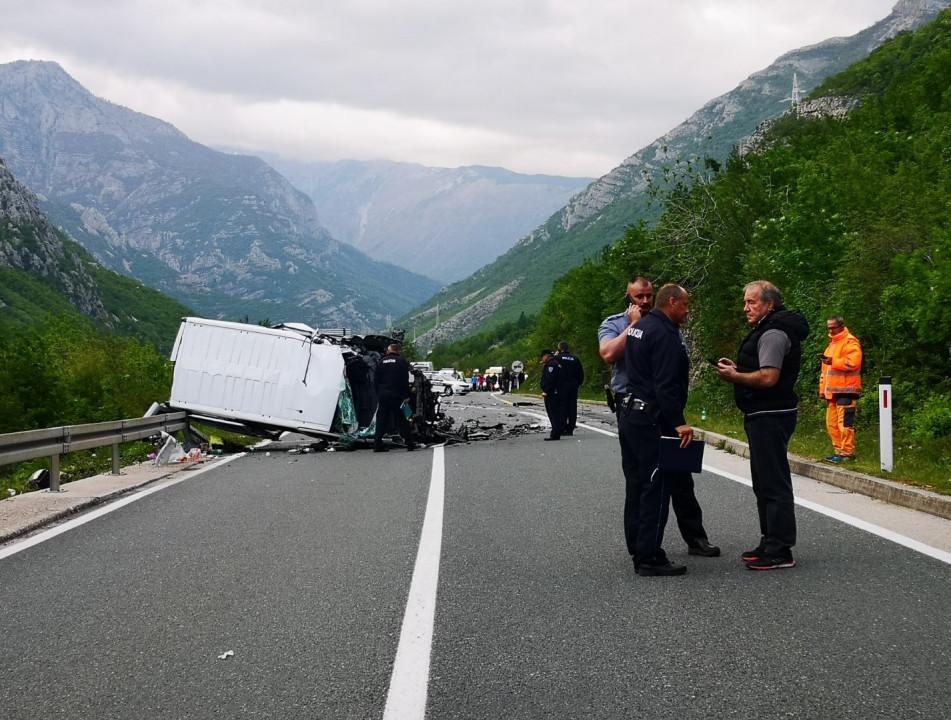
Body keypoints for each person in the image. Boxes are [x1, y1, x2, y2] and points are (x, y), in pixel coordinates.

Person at [598, 276, 719, 561]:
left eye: (648, 296)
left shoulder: (664, 325)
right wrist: (632, 325)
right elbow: (607, 354)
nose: (644, 301)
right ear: (628, 297)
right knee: (644, 480)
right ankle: (641, 546)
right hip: (642, 408)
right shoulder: (619, 323)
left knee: (681, 478)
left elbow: (674, 366)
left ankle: (695, 537)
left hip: (664, 409)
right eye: (638, 296)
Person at [715, 280, 809, 571]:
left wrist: (735, 377)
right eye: (745, 302)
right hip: (764, 413)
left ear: (769, 304)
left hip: (771, 414)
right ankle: (770, 540)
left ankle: (780, 549)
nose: (745, 308)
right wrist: (740, 368)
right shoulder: (768, 329)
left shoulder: (774, 333)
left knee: (773, 481)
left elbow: (768, 377)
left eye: (751, 302)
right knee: (763, 479)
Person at [618, 284, 697, 577]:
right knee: (656, 485)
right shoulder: (664, 334)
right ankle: (649, 556)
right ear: (672, 302)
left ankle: (637, 543)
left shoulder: (639, 327)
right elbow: (665, 385)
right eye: (685, 305)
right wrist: (678, 422)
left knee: (636, 483)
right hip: (652, 419)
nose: (688, 311)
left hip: (630, 413)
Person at [819, 316, 862, 463]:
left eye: (833, 327)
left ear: (841, 326)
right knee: (832, 424)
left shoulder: (850, 342)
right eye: (828, 327)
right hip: (832, 392)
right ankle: (838, 452)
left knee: (845, 424)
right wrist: (822, 390)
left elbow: (853, 363)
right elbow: (825, 371)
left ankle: (847, 453)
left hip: (847, 390)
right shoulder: (832, 345)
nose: (830, 330)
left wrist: (833, 361)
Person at [373, 343, 417, 452]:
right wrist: (406, 395)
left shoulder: (381, 361)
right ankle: (409, 443)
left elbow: (376, 380)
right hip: (398, 395)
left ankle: (377, 444)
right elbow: (405, 380)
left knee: (381, 420)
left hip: (384, 396)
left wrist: (378, 394)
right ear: (398, 351)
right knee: (403, 419)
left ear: (389, 351)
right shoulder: (402, 361)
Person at [556, 342, 584, 435]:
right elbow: (581, 373)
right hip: (573, 386)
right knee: (572, 407)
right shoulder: (575, 358)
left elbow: (554, 372)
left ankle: (563, 427)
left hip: (561, 386)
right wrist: (578, 383)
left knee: (562, 406)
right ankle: (570, 428)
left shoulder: (558, 358)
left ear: (559, 349)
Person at [539, 349, 563, 441]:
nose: (542, 358)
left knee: (553, 413)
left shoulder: (552, 365)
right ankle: (556, 431)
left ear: (546, 356)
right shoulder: (556, 363)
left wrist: (546, 390)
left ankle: (555, 433)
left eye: (543, 356)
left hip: (552, 393)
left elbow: (551, 379)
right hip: (556, 392)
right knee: (555, 413)